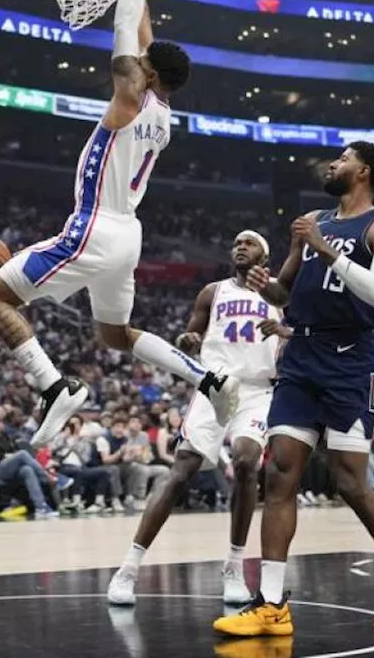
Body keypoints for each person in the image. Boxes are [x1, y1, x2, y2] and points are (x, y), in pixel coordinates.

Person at [0, 0, 237, 447]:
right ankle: (209, 379)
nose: (136, 62)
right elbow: (143, 32)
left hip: (93, 227)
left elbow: (125, 28)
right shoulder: (161, 110)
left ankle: (54, 387)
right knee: (114, 335)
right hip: (126, 235)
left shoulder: (130, 98)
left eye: (142, 63)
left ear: (147, 74)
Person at [214, 142, 374, 638]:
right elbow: (285, 293)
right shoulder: (311, 220)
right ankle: (271, 602)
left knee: (349, 482)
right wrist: (263, 284)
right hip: (301, 359)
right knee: (280, 475)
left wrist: (324, 248)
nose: (332, 163)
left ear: (364, 171)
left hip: (351, 361)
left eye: (343, 157)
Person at [109, 231, 281, 606]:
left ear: (265, 258)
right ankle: (129, 567)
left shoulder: (278, 294)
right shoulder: (212, 292)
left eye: (249, 243)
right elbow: (192, 331)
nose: (239, 246)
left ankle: (234, 566)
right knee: (181, 470)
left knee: (247, 460)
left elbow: (294, 332)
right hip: (214, 385)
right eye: (236, 242)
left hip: (256, 391)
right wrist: (188, 339)